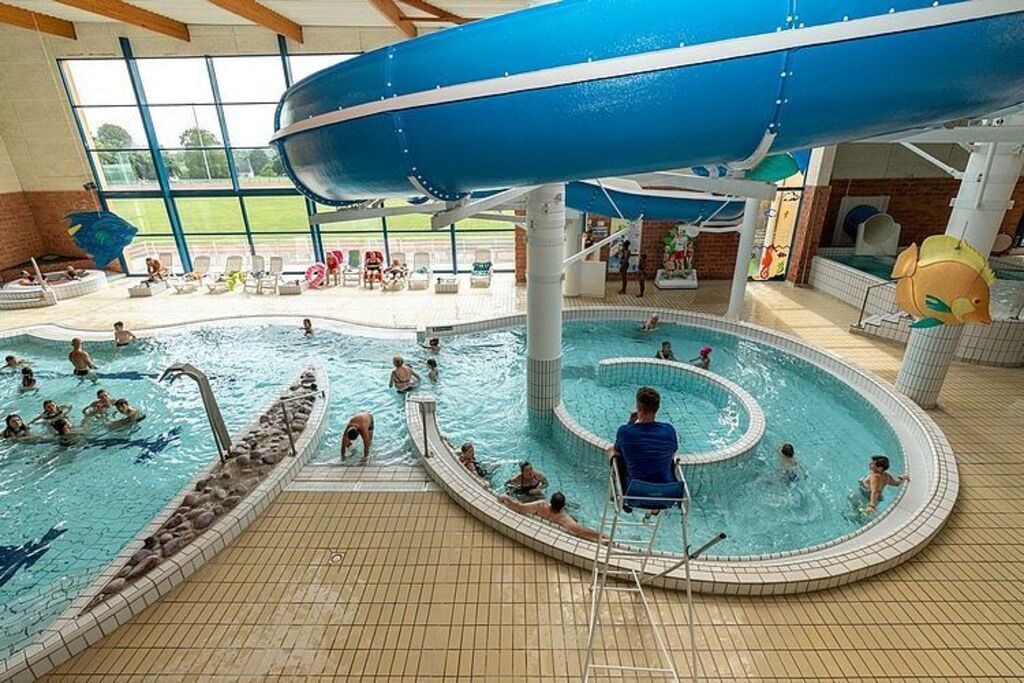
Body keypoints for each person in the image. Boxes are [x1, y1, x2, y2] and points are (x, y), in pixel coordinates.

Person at [608, 387, 678, 495]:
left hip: (635, 493)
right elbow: (672, 453)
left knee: (611, 451)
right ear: (657, 408)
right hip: (666, 493)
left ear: (639, 409)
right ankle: (655, 508)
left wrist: (630, 424)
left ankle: (618, 493)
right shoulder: (669, 430)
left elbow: (618, 451)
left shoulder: (625, 432)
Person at [498, 492, 603, 542]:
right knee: (575, 515)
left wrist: (506, 498)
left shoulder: (541, 505)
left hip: (540, 520)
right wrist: (602, 535)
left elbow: (519, 507)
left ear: (550, 503)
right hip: (556, 522)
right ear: (563, 506)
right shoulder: (563, 518)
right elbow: (580, 531)